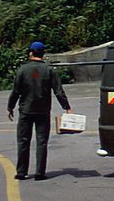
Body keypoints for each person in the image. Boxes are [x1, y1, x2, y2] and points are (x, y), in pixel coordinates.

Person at [6, 41, 73, 181]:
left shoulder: (22, 70)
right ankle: (40, 172)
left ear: (30, 52)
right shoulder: (49, 71)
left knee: (23, 141)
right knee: (42, 141)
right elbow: (58, 91)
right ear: (43, 54)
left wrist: (10, 107)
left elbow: (16, 91)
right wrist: (66, 107)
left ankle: (21, 172)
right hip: (43, 111)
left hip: (26, 110)